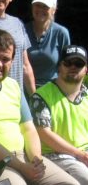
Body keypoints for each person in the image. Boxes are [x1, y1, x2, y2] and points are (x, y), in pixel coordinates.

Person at [0, 29, 79, 184]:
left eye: (5, 59)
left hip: (25, 156)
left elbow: (29, 129)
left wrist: (36, 160)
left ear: (12, 61)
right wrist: (21, 166)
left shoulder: (14, 86)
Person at [30, 45, 88, 183]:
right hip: (56, 156)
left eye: (78, 64)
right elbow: (44, 133)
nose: (73, 67)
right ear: (59, 67)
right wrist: (80, 154)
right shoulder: (41, 96)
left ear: (86, 69)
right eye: (68, 63)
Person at [25, 0, 71, 87]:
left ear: (54, 10)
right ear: (32, 7)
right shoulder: (22, 30)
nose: (40, 9)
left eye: (45, 6)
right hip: (25, 87)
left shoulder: (61, 33)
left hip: (52, 88)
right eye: (37, 5)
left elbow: (66, 65)